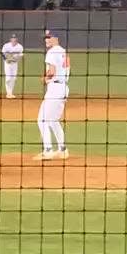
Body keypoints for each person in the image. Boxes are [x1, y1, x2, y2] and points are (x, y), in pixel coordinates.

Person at [34, 30, 71, 161]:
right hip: (63, 88)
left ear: (56, 38)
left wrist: (44, 78)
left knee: (42, 119)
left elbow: (52, 70)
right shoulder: (63, 51)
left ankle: (48, 150)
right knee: (52, 120)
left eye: (49, 38)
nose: (46, 40)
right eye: (45, 38)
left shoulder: (52, 52)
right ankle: (62, 150)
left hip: (55, 87)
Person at [1, 35, 24, 99]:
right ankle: (8, 93)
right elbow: (2, 53)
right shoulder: (6, 45)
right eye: (12, 38)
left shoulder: (20, 47)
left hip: (14, 64)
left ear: (17, 39)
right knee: (8, 78)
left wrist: (16, 58)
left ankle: (10, 93)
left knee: (13, 78)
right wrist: (6, 59)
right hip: (7, 64)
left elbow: (21, 55)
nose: (13, 39)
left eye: (15, 38)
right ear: (10, 39)